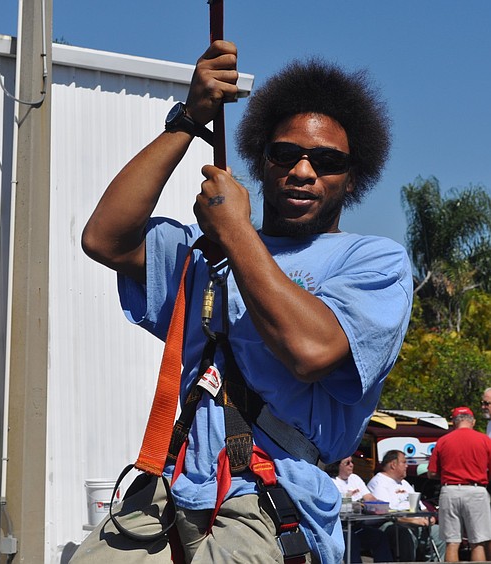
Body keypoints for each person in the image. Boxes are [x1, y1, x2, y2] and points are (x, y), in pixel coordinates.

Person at [71, 37, 412, 564]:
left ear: (353, 178)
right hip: (169, 492)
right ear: (262, 158)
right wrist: (189, 119)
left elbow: (309, 350)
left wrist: (236, 234)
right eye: (285, 154)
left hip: (270, 502)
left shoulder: (373, 262)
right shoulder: (202, 249)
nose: (303, 171)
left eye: (326, 161)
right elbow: (105, 239)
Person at [428, 406, 491, 561]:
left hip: (450, 491)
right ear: (473, 421)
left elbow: (432, 473)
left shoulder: (443, 441)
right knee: (478, 542)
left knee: (452, 542)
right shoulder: (484, 440)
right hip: (476, 491)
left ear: (453, 422)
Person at [367, 450, 444, 561]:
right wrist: (413, 521)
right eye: (404, 462)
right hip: (393, 524)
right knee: (404, 533)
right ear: (393, 465)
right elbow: (386, 514)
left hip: (416, 522)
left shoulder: (404, 483)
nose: (407, 465)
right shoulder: (379, 483)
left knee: (439, 533)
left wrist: (429, 517)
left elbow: (422, 507)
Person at [326, 457, 393, 562]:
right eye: (347, 463)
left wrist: (379, 504)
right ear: (337, 465)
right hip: (341, 527)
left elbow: (369, 497)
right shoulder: (331, 481)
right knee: (352, 540)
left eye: (352, 462)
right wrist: (361, 505)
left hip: (358, 525)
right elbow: (339, 505)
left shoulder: (355, 478)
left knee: (379, 536)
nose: (351, 465)